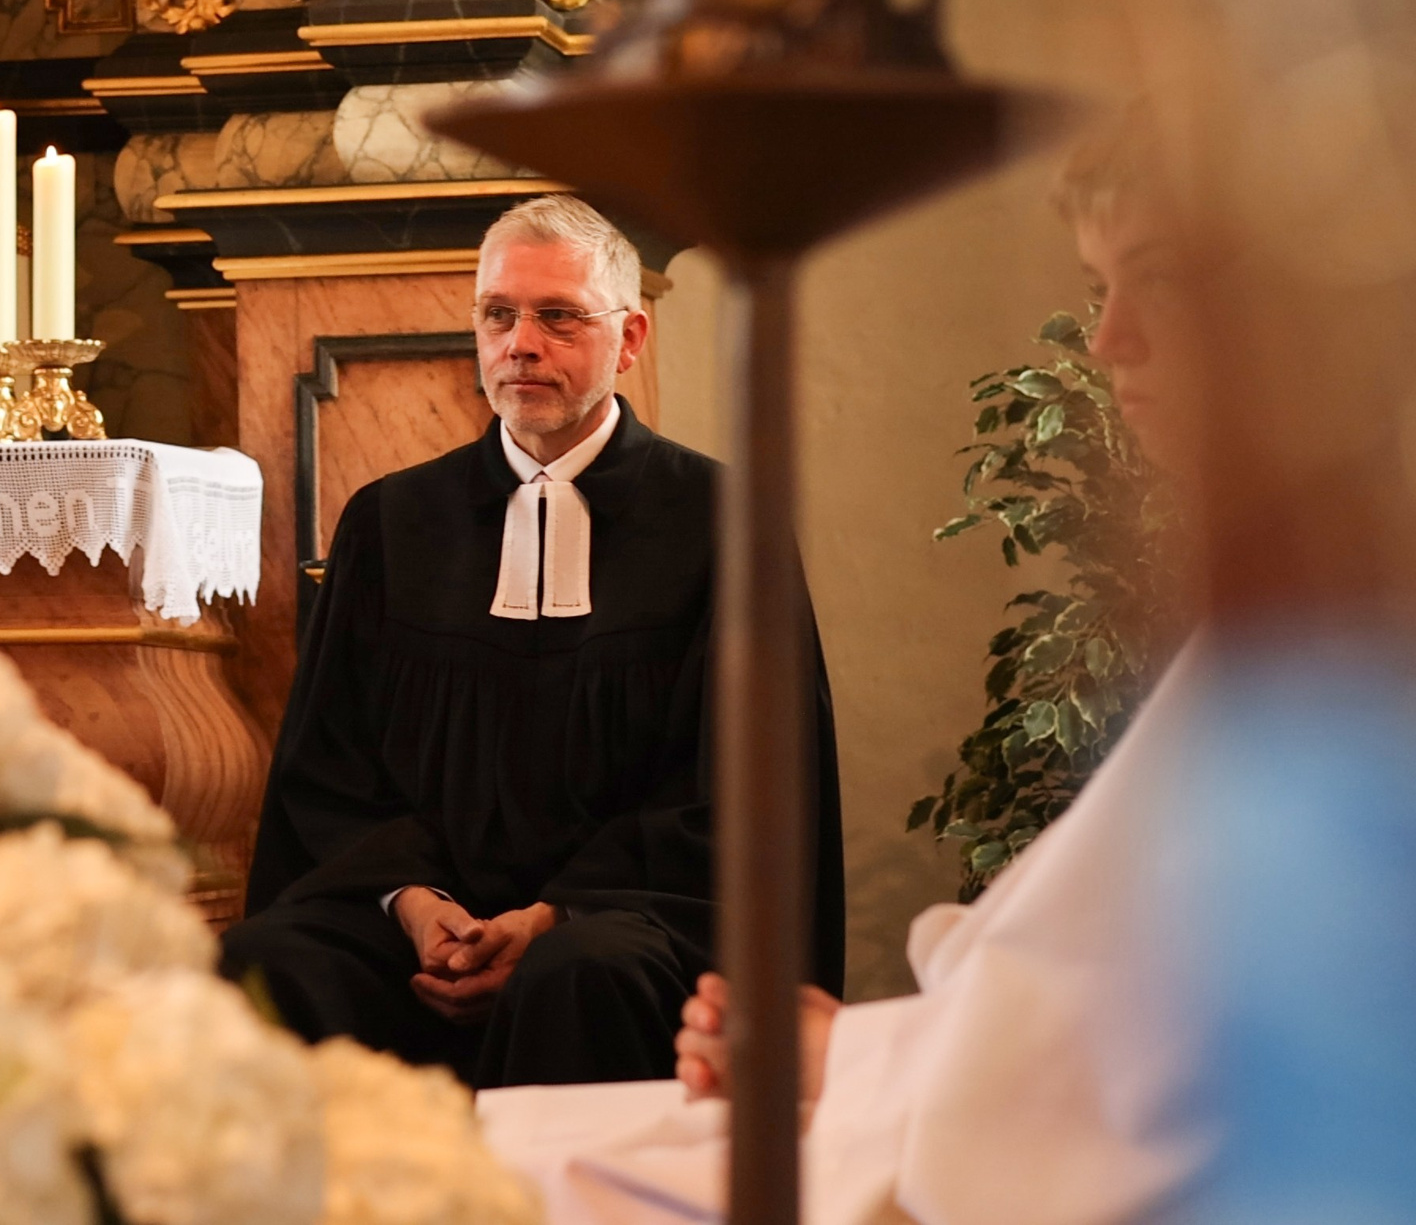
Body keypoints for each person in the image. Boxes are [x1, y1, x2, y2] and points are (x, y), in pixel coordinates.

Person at [479, 109, 1210, 1224]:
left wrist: (858, 1057)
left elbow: (1181, 1029)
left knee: (572, 1141)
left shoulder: (1332, 632)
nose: (1107, 343)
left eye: (1154, 279)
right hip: (968, 1078)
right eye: (497, 315)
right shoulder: (396, 522)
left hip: (679, 936)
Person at [222, 194, 847, 1088]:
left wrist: (555, 914)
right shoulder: (391, 522)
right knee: (267, 963)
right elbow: (329, 771)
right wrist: (417, 905)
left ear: (629, 339)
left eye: (558, 316)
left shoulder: (722, 520)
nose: (521, 344)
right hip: (418, 924)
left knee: (582, 971)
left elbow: (743, 789)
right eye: (498, 314)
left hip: (632, 913)